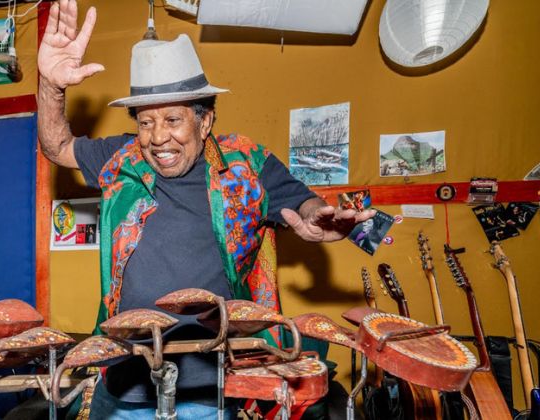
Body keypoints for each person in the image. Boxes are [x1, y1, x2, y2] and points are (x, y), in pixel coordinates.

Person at [37, 1, 375, 418]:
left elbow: (302, 201)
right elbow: (57, 146)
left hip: (209, 389)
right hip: (125, 381)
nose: (157, 138)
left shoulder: (247, 165)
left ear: (205, 121)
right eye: (145, 122)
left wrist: (314, 214)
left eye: (173, 120)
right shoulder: (120, 158)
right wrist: (51, 86)